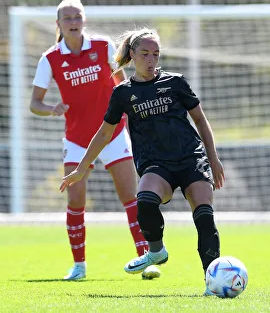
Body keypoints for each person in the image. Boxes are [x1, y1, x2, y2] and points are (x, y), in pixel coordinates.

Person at [59, 27, 225, 295]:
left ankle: (212, 283)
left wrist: (213, 158)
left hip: (191, 159)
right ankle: (156, 251)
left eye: (156, 54)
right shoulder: (123, 93)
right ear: (133, 55)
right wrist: (80, 168)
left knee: (204, 218)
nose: (151, 60)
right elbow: (104, 133)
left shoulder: (176, 82)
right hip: (156, 165)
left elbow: (200, 121)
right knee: (145, 202)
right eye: (145, 53)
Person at [30, 0, 160, 281]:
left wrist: (134, 113)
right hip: (77, 138)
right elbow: (34, 103)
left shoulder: (103, 47)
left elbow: (122, 85)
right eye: (67, 18)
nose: (73, 21)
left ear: (84, 20)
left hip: (112, 133)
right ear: (59, 24)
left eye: (77, 16)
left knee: (131, 196)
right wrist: (50, 109)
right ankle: (79, 266)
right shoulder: (49, 59)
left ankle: (145, 259)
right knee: (75, 199)